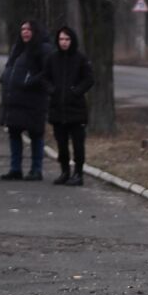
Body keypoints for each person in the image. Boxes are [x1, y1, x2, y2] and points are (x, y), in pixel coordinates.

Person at [0, 21, 51, 181]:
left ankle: (36, 169)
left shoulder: (43, 49)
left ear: (35, 31)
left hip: (33, 100)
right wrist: (5, 79)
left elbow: (47, 72)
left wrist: (31, 81)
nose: (25, 32)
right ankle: (15, 169)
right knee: (14, 133)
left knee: (36, 134)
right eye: (22, 29)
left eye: (28, 29)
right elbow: (10, 67)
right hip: (14, 100)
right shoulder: (18, 48)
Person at [44, 25, 93, 186]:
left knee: (78, 144)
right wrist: (52, 90)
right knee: (61, 144)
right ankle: (65, 171)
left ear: (72, 40)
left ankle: (78, 173)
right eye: (61, 39)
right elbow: (45, 78)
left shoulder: (80, 58)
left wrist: (76, 91)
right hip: (58, 108)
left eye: (67, 39)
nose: (64, 42)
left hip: (76, 109)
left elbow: (89, 79)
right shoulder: (52, 58)